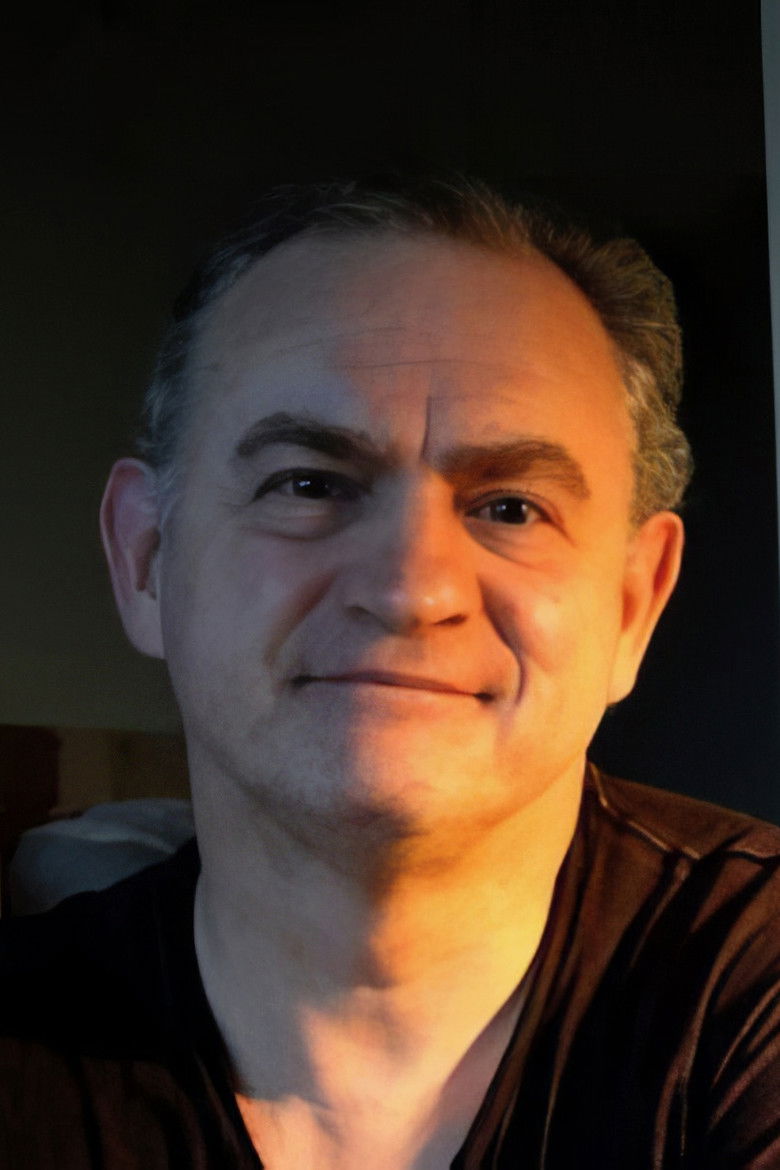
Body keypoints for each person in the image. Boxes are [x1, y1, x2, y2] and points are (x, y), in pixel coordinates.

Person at [2, 175, 779, 1169]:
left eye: (511, 508)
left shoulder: (754, 988)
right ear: (147, 558)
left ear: (634, 605)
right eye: (309, 484)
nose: (411, 590)